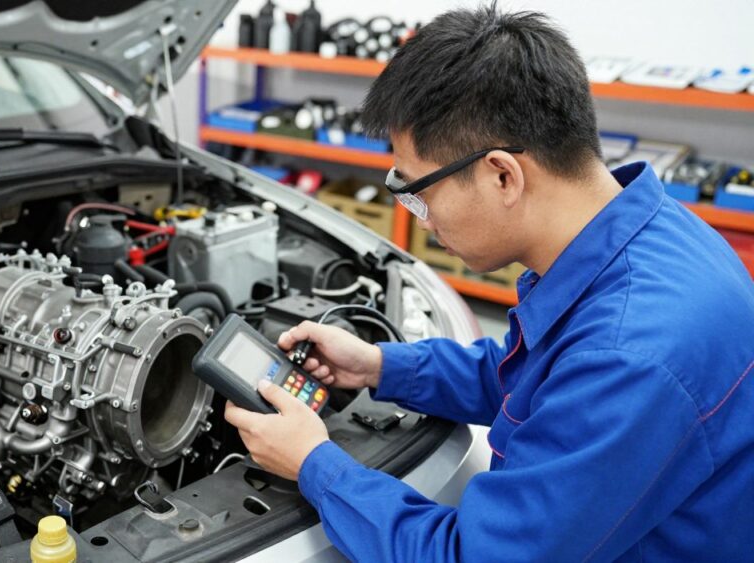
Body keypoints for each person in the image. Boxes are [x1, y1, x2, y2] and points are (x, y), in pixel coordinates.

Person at [224, 4, 754, 562]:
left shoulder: (629, 354)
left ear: (503, 174)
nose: (421, 216)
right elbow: (535, 382)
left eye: (418, 190)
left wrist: (315, 464)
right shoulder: (648, 232)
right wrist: (380, 366)